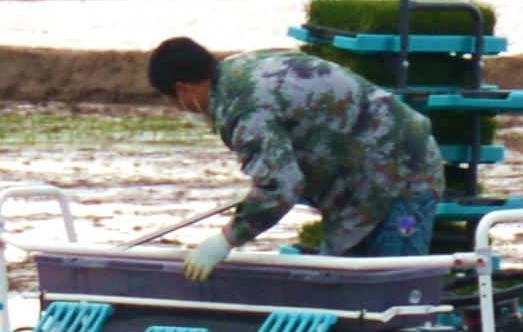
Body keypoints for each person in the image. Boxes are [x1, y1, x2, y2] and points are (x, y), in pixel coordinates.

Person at [149, 33, 446, 273]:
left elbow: (281, 186)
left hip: (403, 172)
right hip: (360, 185)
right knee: (345, 288)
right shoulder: (240, 69)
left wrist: (227, 239)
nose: (182, 108)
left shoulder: (245, 109)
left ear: (184, 88)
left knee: (391, 288)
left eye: (175, 100)